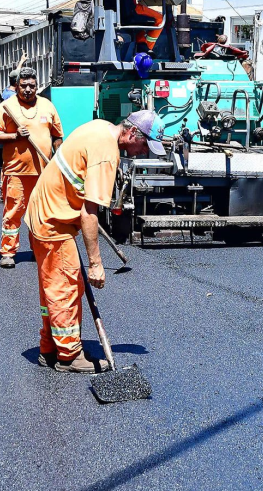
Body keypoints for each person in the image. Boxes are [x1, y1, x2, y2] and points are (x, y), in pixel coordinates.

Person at [24, 110, 166, 373]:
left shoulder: (101, 127)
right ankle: (69, 355)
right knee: (66, 288)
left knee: (52, 287)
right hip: (54, 221)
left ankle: (49, 348)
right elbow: (89, 213)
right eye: (145, 144)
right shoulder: (107, 153)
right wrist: (96, 264)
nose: (144, 151)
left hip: (43, 212)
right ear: (132, 133)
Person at [0, 67, 63, 268]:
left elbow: (57, 136)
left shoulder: (47, 106)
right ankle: (8, 252)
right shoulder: (7, 107)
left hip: (43, 172)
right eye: (24, 86)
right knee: (14, 212)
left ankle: (37, 249)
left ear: (37, 86)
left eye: (32, 86)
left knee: (39, 213)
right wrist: (15, 136)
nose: (28, 90)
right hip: (16, 172)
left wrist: (59, 160)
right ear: (17, 86)